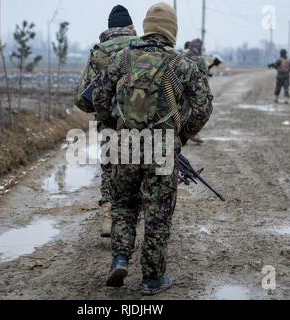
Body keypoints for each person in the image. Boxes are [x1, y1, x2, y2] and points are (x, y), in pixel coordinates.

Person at [93, 2, 213, 296]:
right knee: (157, 213)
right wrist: (181, 135)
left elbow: (98, 97)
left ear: (146, 27)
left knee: (123, 205)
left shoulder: (121, 59)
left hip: (124, 145)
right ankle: (152, 279)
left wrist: (115, 125)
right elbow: (202, 107)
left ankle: (120, 258)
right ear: (172, 30)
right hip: (161, 147)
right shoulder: (181, 64)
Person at [74, 5, 138, 238]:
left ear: (109, 28)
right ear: (131, 27)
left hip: (109, 124)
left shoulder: (99, 53)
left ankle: (109, 218)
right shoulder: (141, 48)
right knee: (140, 170)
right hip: (141, 123)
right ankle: (130, 222)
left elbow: (81, 98)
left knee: (110, 169)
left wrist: (100, 108)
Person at [182, 38, 208, 145]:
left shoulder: (182, 55)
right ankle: (190, 133)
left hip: (180, 88)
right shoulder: (200, 59)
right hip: (194, 89)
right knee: (195, 111)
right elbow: (204, 76)